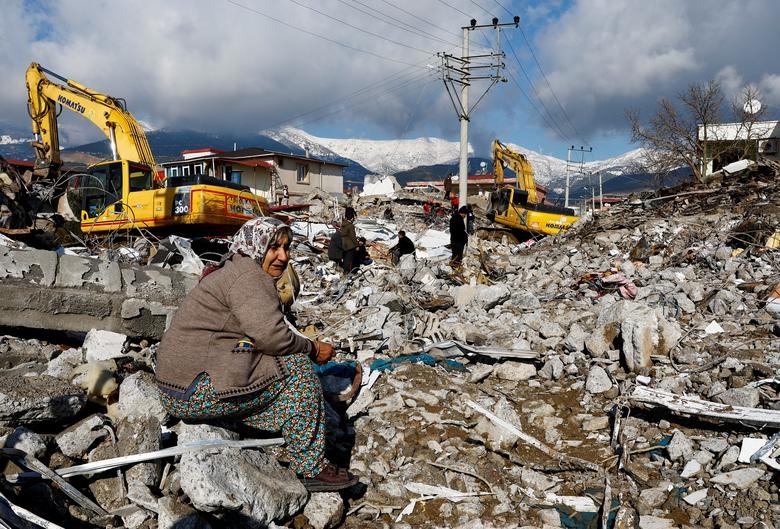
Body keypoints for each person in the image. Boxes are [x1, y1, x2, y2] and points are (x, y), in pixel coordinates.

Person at [154, 217, 358, 492]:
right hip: (192, 391)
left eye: (287, 248)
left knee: (266, 364)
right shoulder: (250, 278)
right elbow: (273, 338)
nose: (283, 256)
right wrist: (313, 348)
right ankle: (310, 467)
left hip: (176, 386)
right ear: (257, 245)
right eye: (274, 247)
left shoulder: (235, 267)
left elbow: (257, 333)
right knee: (296, 369)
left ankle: (269, 424)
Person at [339, 207, 358, 273]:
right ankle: (346, 272)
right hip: (350, 245)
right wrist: (356, 245)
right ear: (352, 218)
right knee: (348, 259)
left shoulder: (343, 224)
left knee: (345, 259)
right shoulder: (351, 226)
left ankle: (344, 271)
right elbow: (353, 237)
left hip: (343, 244)